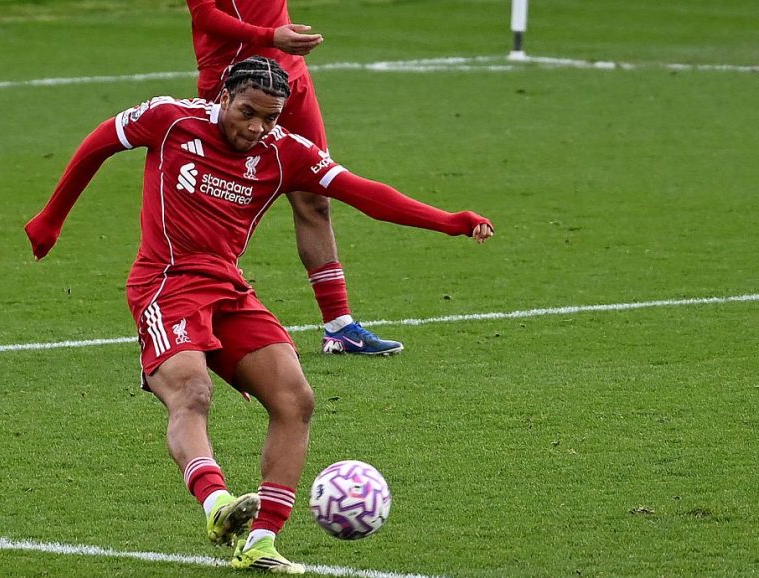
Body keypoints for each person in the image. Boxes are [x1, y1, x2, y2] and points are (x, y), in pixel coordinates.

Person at [25, 57, 493, 573]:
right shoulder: (171, 119)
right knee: (192, 391)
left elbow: (365, 194)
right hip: (165, 283)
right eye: (247, 112)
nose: (256, 127)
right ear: (224, 96)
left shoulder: (285, 152)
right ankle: (216, 504)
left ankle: (261, 542)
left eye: (269, 117)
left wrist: (449, 221)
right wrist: (51, 217)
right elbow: (99, 142)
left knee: (295, 398)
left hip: (229, 289)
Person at [185, 0, 404, 355]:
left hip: (290, 79)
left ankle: (339, 326)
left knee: (316, 199)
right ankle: (192, 311)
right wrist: (270, 36)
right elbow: (205, 15)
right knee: (219, 203)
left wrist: (279, 41)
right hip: (235, 85)